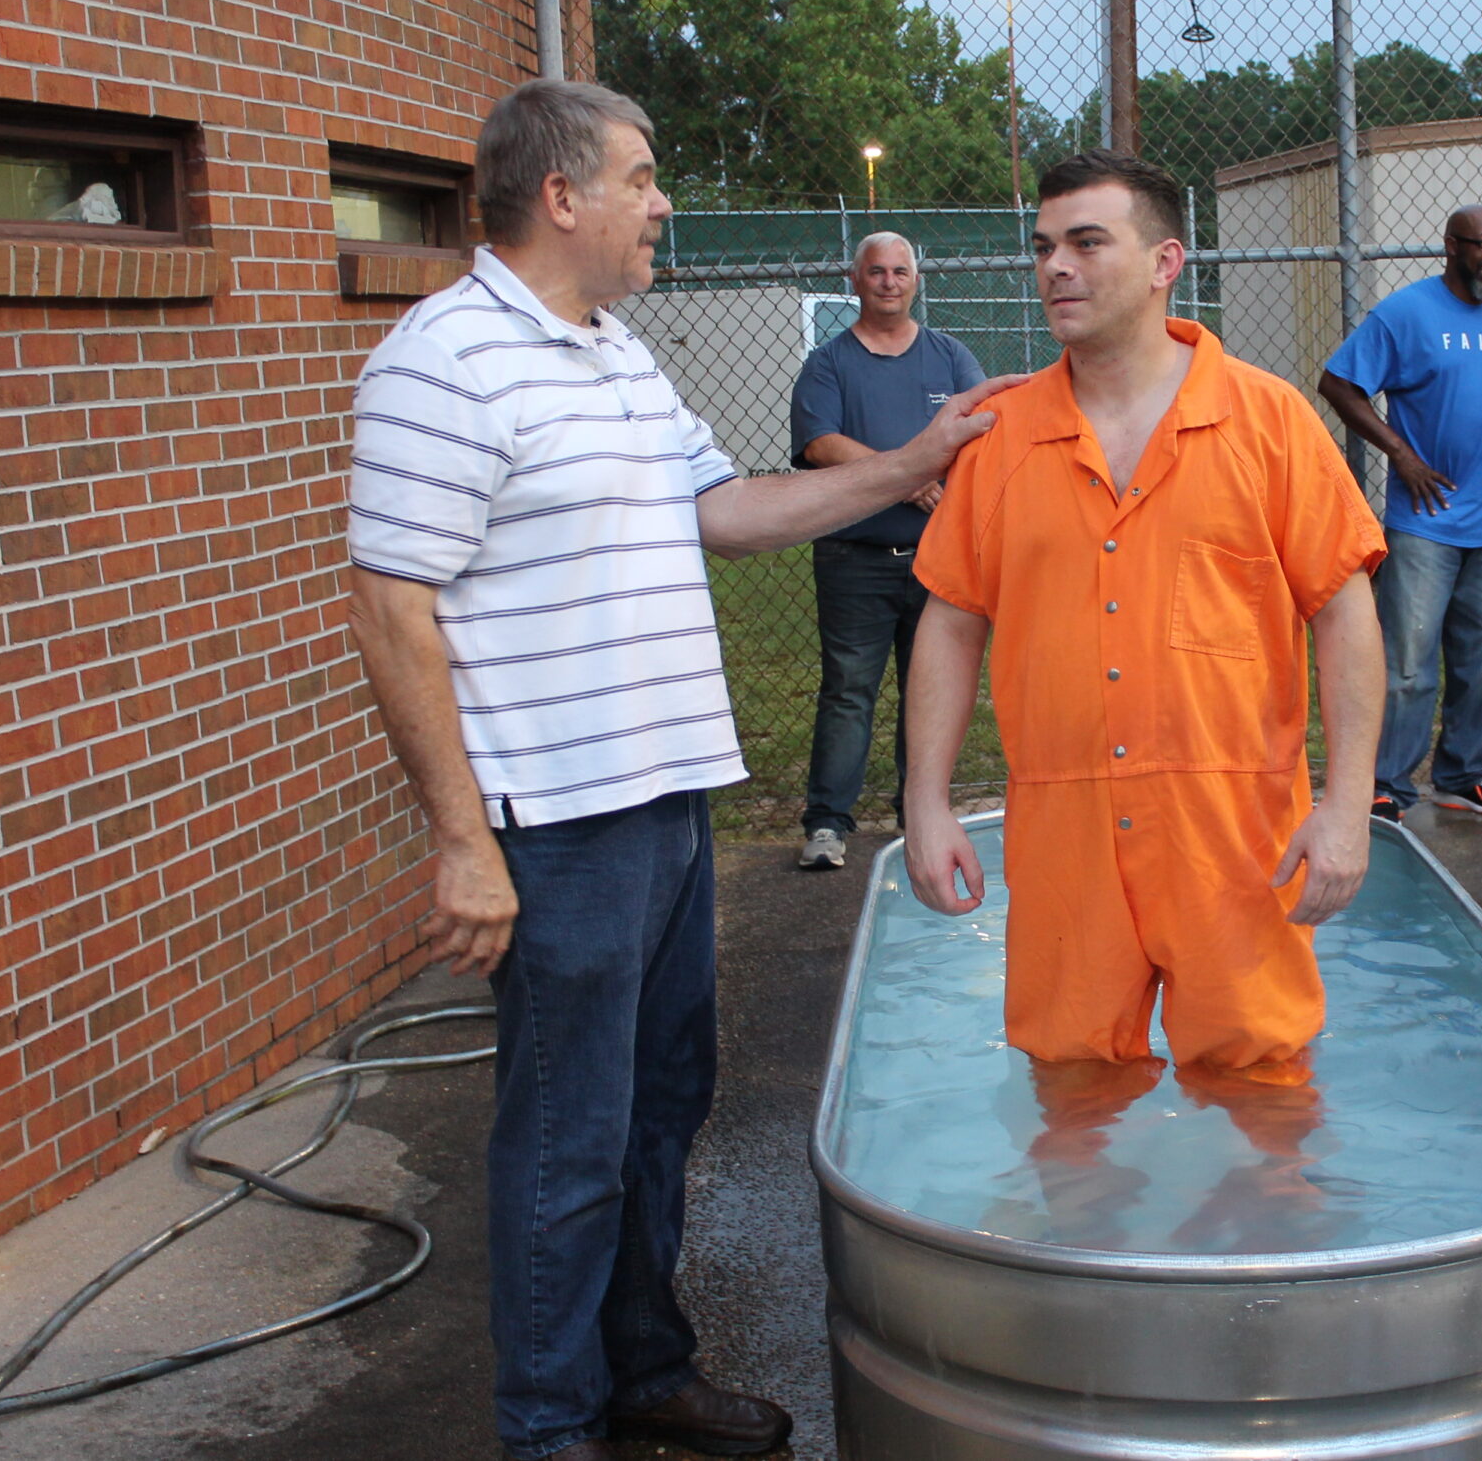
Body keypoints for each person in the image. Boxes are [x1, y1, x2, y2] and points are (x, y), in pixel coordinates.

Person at [345, 80, 1017, 1461]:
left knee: (661, 1105)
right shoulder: (443, 359)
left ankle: (643, 1367)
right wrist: (463, 839)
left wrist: (916, 460)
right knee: (568, 1138)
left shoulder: (615, 353)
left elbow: (729, 509)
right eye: (643, 177)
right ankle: (549, 1426)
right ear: (561, 195)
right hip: (559, 822)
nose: (663, 204)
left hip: (663, 800)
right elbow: (390, 606)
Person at [902, 149, 1387, 1074]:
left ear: (1166, 262)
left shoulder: (1269, 420)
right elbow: (951, 621)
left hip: (1233, 826)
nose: (1056, 266)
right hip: (1064, 829)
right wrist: (924, 803)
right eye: (1044, 246)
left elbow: (1343, 611)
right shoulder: (1000, 439)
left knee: (1262, 1082)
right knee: (1070, 1085)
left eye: (1087, 242)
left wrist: (1347, 805)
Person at [1319, 204, 1482, 820]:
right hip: (1425, 520)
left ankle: (1466, 776)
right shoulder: (1407, 313)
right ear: (1452, 247)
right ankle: (1385, 785)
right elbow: (1339, 383)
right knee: (1408, 662)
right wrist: (1400, 453)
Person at [789, 233, 986, 870]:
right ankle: (827, 824)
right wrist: (908, 474)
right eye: (877, 272)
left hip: (937, 560)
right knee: (849, 690)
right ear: (855, 281)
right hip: (855, 557)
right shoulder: (828, 364)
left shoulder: (950, 357)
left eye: (901, 271)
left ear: (915, 281)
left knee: (929, 690)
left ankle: (919, 817)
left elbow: (984, 430)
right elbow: (820, 443)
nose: (889, 282)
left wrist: (935, 476)